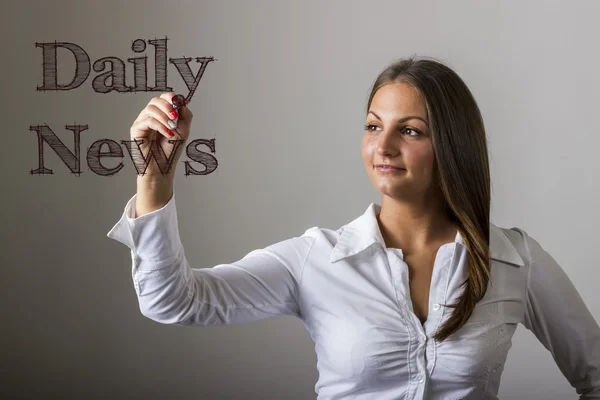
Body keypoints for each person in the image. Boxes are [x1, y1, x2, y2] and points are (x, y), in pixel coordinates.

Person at [107, 56, 600, 399]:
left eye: (409, 130)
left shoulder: (514, 260)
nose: (382, 146)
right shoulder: (315, 259)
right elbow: (172, 301)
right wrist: (155, 175)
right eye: (372, 125)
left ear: (452, 145)